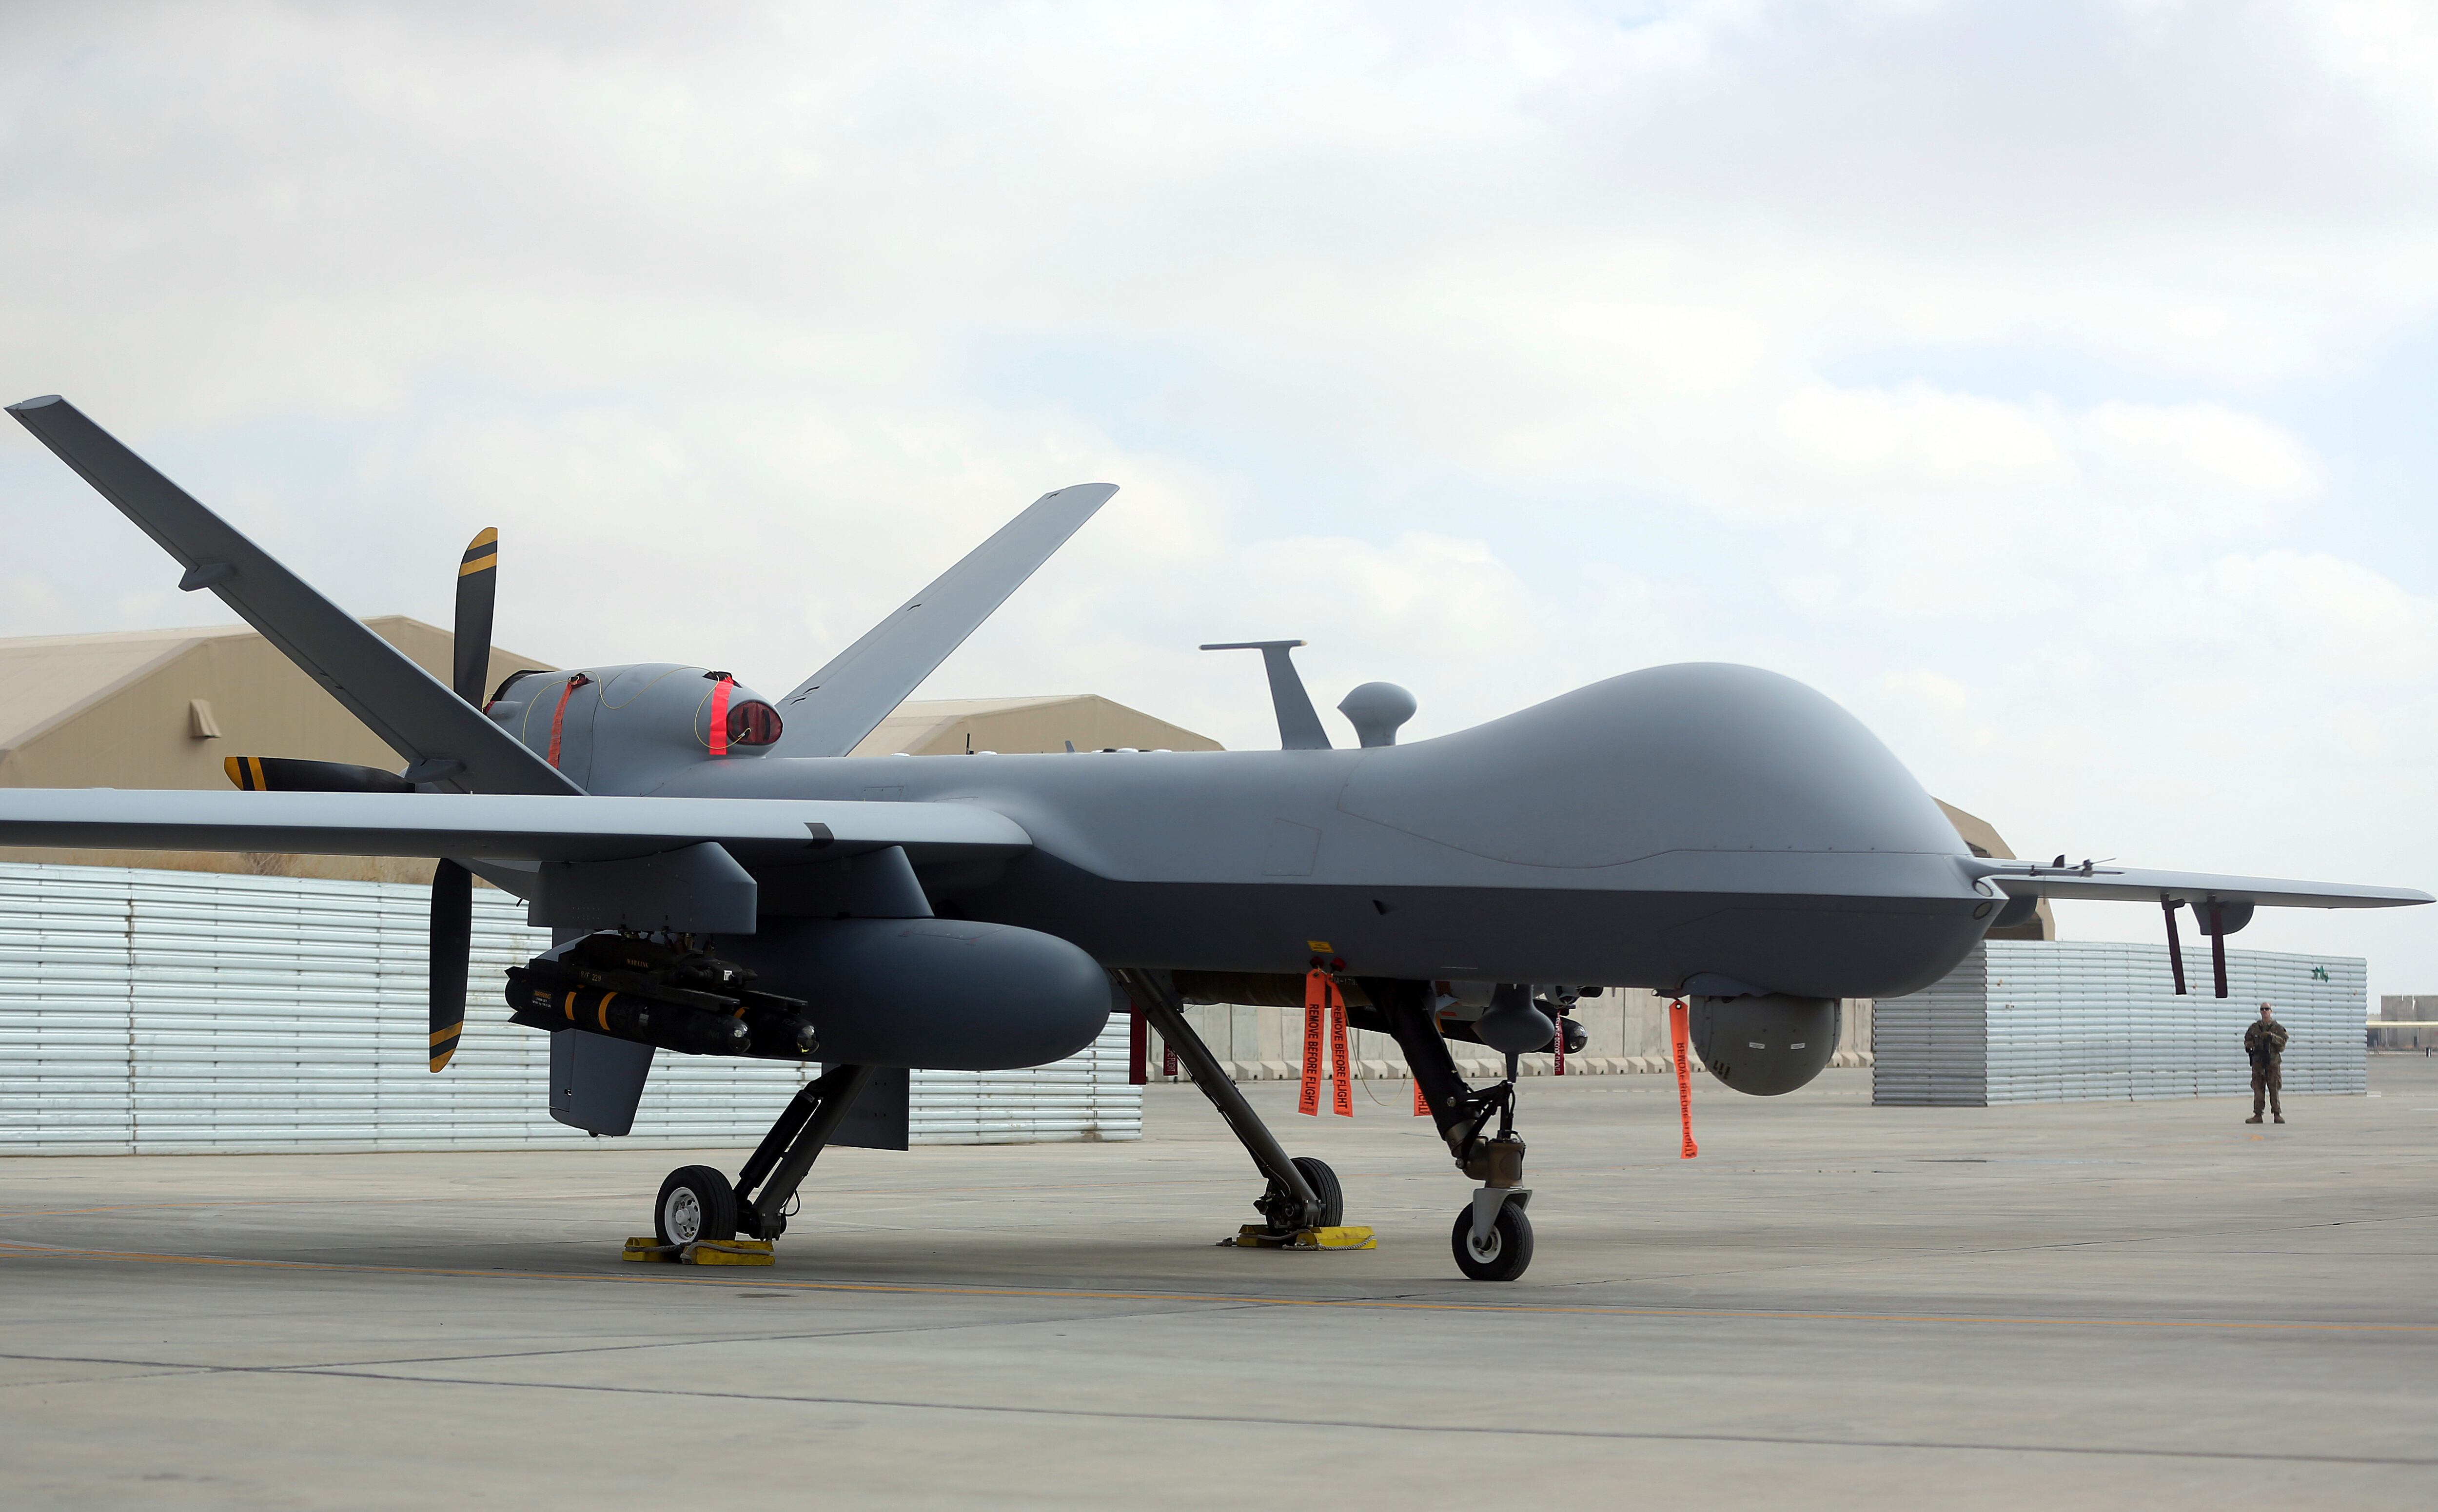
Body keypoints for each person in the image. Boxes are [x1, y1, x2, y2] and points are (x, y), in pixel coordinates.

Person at [2244, 1002, 2287, 1125]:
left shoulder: (2277, 1028)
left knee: (2274, 1088)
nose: (2264, 1011)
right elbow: (2247, 1041)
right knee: (2258, 1088)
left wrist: (2271, 1038)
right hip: (2259, 1063)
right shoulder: (2254, 1028)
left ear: (2271, 1011)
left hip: (2272, 1063)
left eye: (2267, 1009)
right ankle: (2258, 1114)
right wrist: (2252, 1046)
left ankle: (2277, 1114)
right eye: (2262, 1009)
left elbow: (2283, 1044)